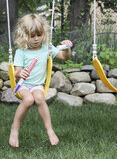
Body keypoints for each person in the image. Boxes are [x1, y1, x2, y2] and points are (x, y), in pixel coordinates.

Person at [9, 13, 72, 147]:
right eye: (32, 36)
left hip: (37, 85)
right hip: (23, 85)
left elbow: (64, 57)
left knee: (39, 98)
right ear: (25, 36)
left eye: (39, 35)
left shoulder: (46, 48)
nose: (37, 39)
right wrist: (21, 73)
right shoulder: (21, 51)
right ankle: (15, 128)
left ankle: (49, 130)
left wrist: (67, 48)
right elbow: (16, 72)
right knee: (28, 99)